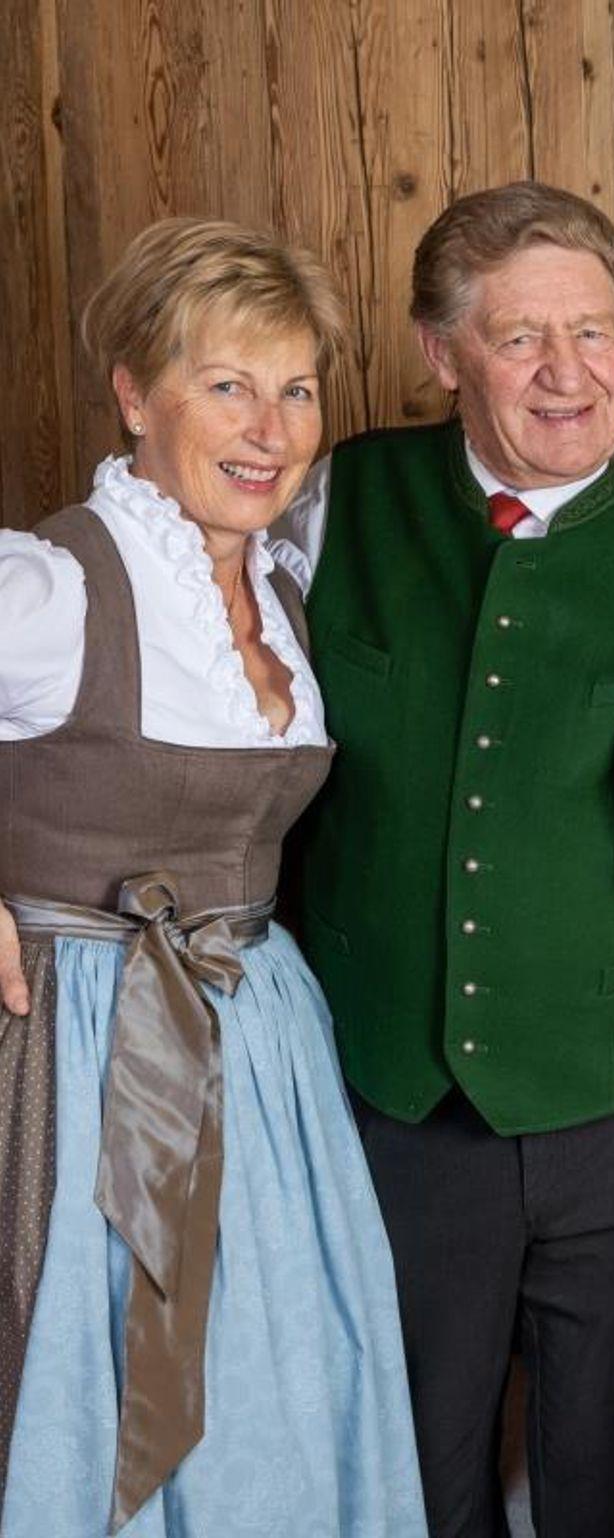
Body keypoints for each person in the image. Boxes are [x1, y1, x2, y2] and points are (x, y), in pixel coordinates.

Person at [281, 181, 614, 1537]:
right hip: (388, 1087)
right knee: (409, 1470)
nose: (566, 372)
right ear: (443, 353)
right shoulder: (335, 497)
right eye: (520, 337)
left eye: (592, 332)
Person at [0, 218, 425, 1535]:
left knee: (275, 1388)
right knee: (94, 1379)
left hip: (263, 1047)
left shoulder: (287, 588)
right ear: (135, 393)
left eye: (296, 388)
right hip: (83, 1048)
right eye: (227, 384)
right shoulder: (51, 587)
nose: (271, 427)